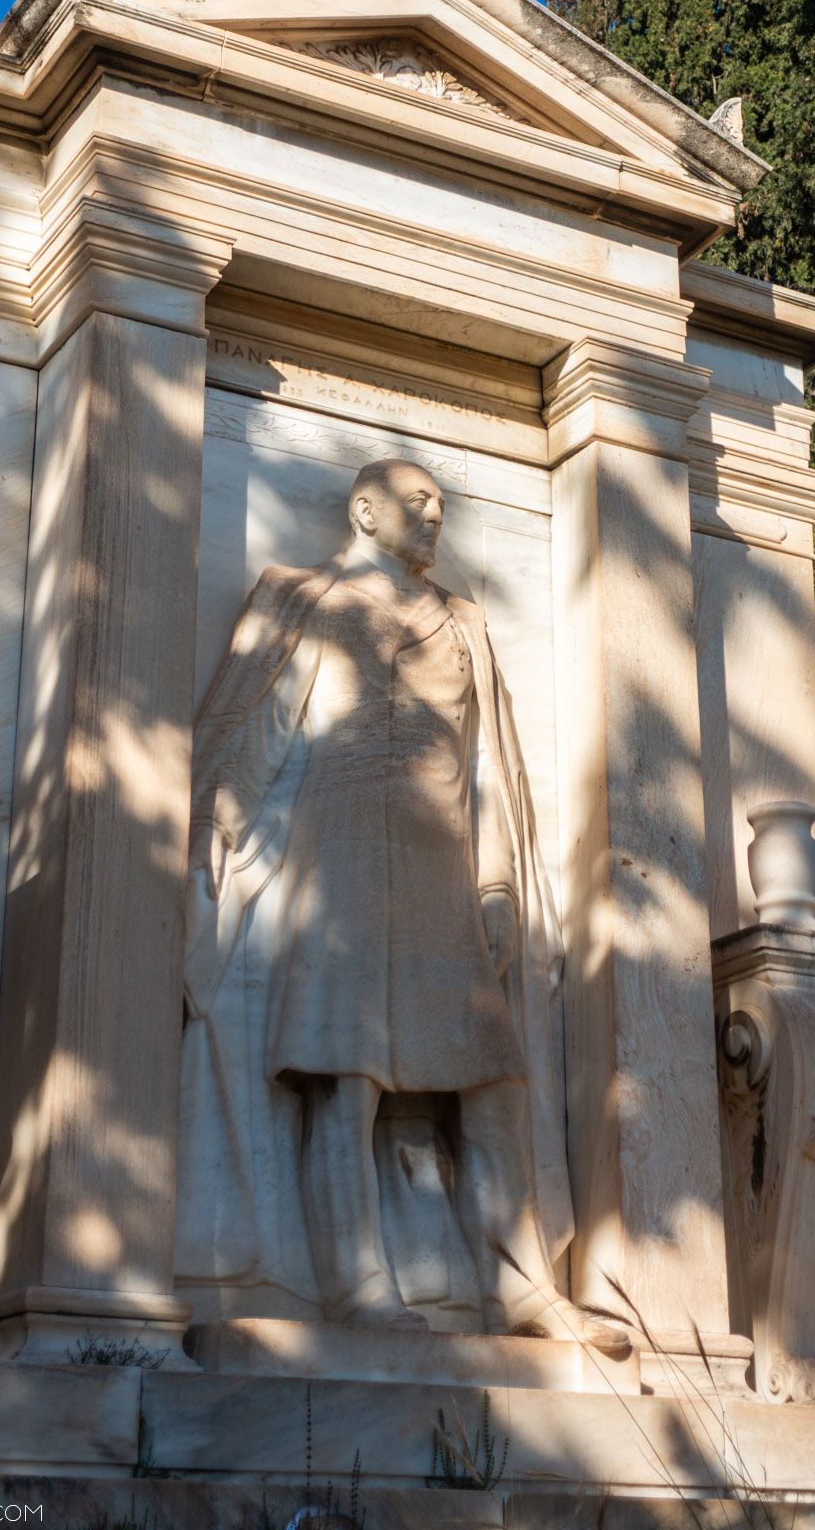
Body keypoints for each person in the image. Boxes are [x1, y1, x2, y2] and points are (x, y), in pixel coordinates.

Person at [183, 458, 627, 1352]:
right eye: (418, 502)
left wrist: (498, 882)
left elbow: (492, 767)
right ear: (363, 509)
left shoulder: (464, 622)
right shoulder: (299, 595)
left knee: (492, 1073)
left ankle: (524, 1285)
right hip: (334, 852)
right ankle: (355, 1284)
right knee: (346, 1078)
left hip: (441, 862)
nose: (435, 516)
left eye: (442, 505)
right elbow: (260, 722)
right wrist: (222, 809)